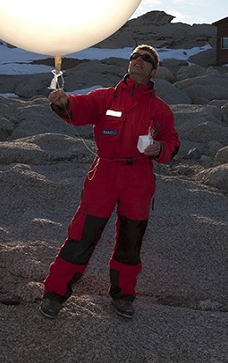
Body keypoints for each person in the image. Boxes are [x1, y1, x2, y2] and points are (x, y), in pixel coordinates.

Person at [38, 44, 180, 320]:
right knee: (82, 235)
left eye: (145, 59)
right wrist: (63, 102)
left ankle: (123, 295)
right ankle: (54, 294)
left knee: (131, 240)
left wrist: (160, 149)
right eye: (134, 57)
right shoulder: (106, 97)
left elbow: (173, 142)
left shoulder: (160, 110)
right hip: (104, 173)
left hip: (138, 178)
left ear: (154, 69)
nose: (138, 61)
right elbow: (79, 108)